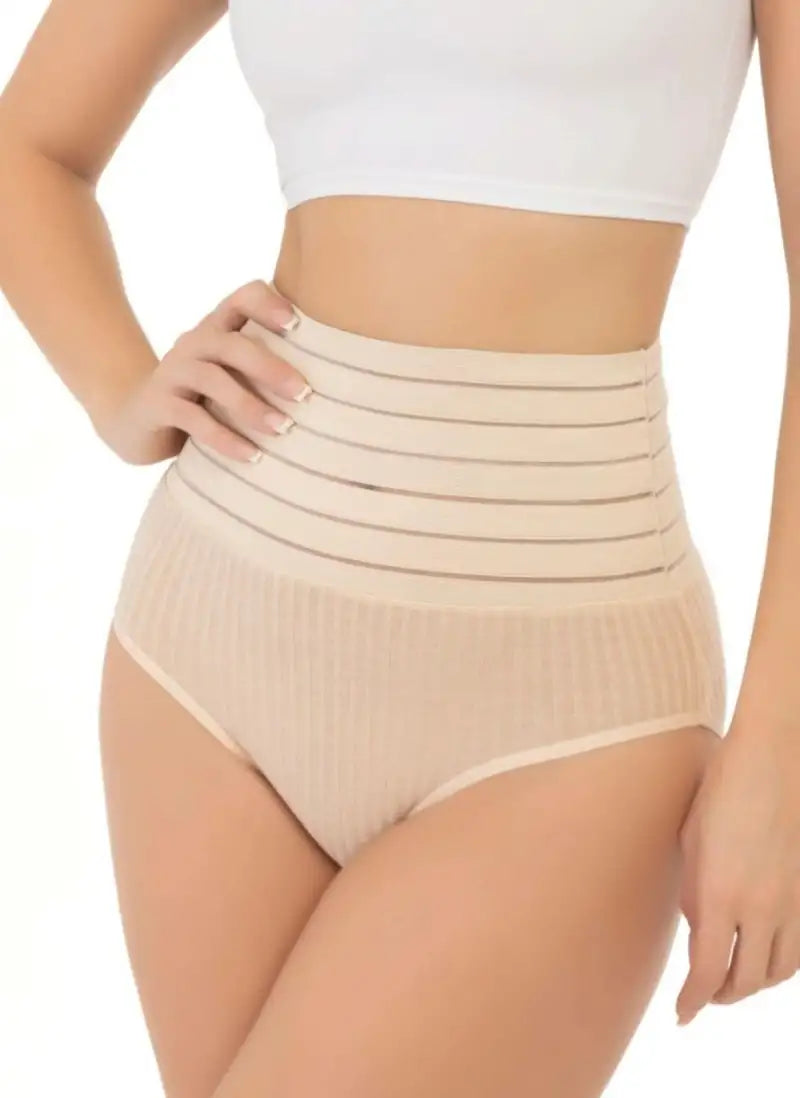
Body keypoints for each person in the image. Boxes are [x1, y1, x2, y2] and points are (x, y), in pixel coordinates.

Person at [1, 1, 799, 1095]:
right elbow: (29, 147)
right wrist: (120, 392)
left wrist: (781, 745)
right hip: (214, 652)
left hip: (568, 705)